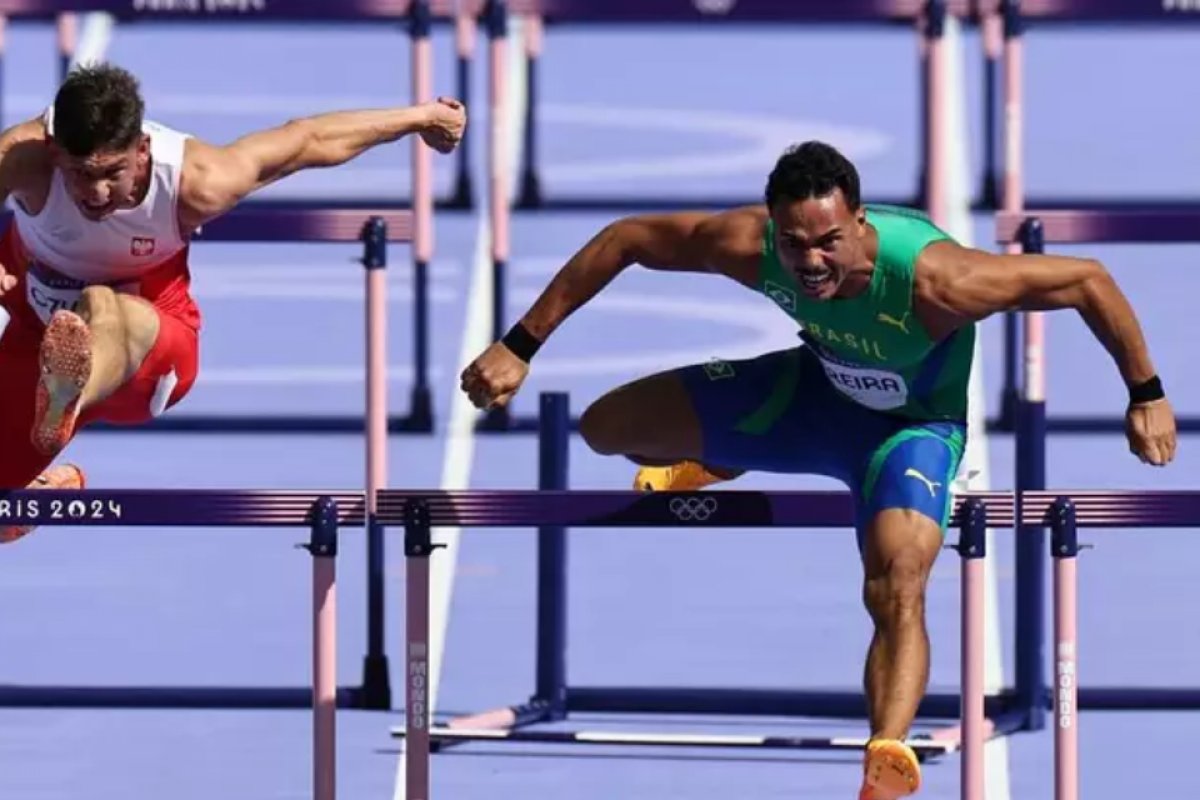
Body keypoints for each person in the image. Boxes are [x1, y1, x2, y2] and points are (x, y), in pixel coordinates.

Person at [460, 141, 1177, 799]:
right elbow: (626, 240)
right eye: (795, 243)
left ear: (860, 223)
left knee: (897, 579)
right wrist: (521, 343)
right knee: (607, 428)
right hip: (807, 395)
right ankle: (722, 456)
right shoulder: (749, 245)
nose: (810, 262)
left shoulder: (941, 281)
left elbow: (1088, 279)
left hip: (907, 432)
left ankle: (885, 757)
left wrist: (1146, 394)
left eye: (829, 241)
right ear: (772, 229)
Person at [0, 63, 466, 541]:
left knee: (103, 305)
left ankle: (68, 397)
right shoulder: (21, 158)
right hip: (34, 340)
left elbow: (307, 141)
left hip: (152, 351)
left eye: (111, 173)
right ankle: (36, 491)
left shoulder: (198, 178)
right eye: (80, 175)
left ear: (141, 152)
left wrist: (421, 117)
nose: (95, 192)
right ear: (55, 154)